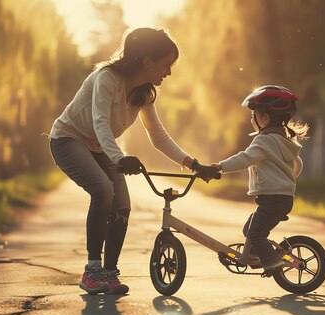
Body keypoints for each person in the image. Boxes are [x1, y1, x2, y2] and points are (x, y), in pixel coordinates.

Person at [48, 28, 217, 295]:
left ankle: (109, 273)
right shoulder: (106, 78)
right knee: (103, 189)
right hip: (69, 140)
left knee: (123, 205)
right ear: (147, 61)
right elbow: (100, 123)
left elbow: (158, 136)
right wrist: (120, 157)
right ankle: (92, 270)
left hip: (101, 148)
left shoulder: (144, 93)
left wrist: (194, 164)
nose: (169, 72)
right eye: (166, 65)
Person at [211, 85, 308, 274]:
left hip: (272, 200)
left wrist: (220, 167)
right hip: (282, 198)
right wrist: (287, 180)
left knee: (255, 233)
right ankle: (257, 255)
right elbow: (299, 164)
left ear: (264, 118)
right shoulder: (284, 141)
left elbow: (244, 158)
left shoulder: (264, 141)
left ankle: (272, 263)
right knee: (250, 230)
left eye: (253, 115)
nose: (251, 119)